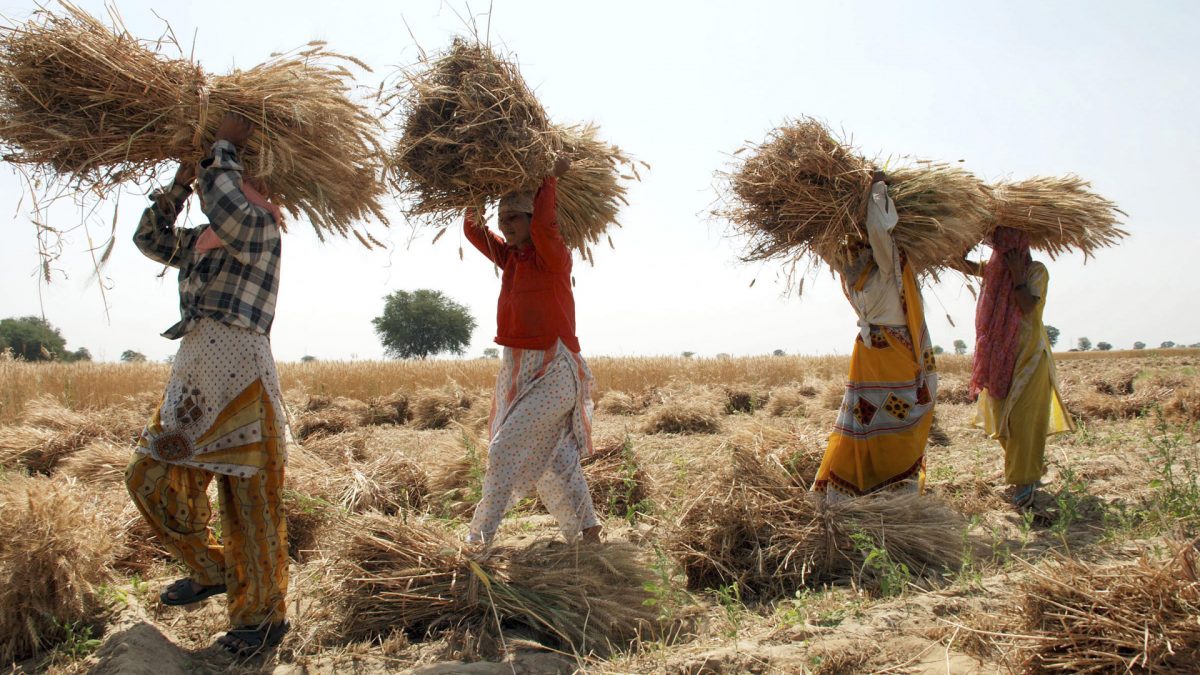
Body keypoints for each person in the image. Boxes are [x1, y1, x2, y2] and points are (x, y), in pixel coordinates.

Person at [125, 112, 290, 657]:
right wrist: (176, 183)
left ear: (258, 188)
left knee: (251, 504)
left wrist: (222, 147)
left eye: (239, 176)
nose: (216, 184)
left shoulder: (260, 229)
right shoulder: (200, 240)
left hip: (243, 380)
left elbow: (226, 202)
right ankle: (212, 568)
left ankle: (260, 618)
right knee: (149, 476)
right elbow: (148, 238)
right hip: (194, 378)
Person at [461, 156, 602, 547]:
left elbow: (544, 225)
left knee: (505, 447)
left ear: (531, 219)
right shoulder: (510, 259)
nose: (506, 226)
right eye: (503, 218)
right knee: (557, 460)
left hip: (555, 369)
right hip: (519, 368)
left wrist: (549, 179)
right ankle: (589, 530)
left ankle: (480, 537)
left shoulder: (554, 258)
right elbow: (474, 230)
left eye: (515, 218)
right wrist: (473, 191)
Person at [813, 172, 939, 502]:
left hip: (896, 355)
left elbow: (880, 230)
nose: (854, 246)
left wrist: (877, 191)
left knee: (894, 420)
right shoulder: (855, 271)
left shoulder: (887, 263)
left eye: (859, 238)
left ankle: (894, 489)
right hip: (869, 356)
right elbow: (826, 248)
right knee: (863, 419)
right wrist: (809, 223)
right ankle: (859, 489)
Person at [961, 226, 1074, 508]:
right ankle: (1026, 472)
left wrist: (1017, 275)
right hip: (999, 358)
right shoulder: (992, 271)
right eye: (1000, 247)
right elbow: (957, 262)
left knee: (1024, 422)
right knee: (1003, 421)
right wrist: (967, 237)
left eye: (1009, 246)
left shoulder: (1036, 271)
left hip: (1029, 359)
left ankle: (1024, 485)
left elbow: (1026, 306)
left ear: (1020, 244)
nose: (1004, 252)